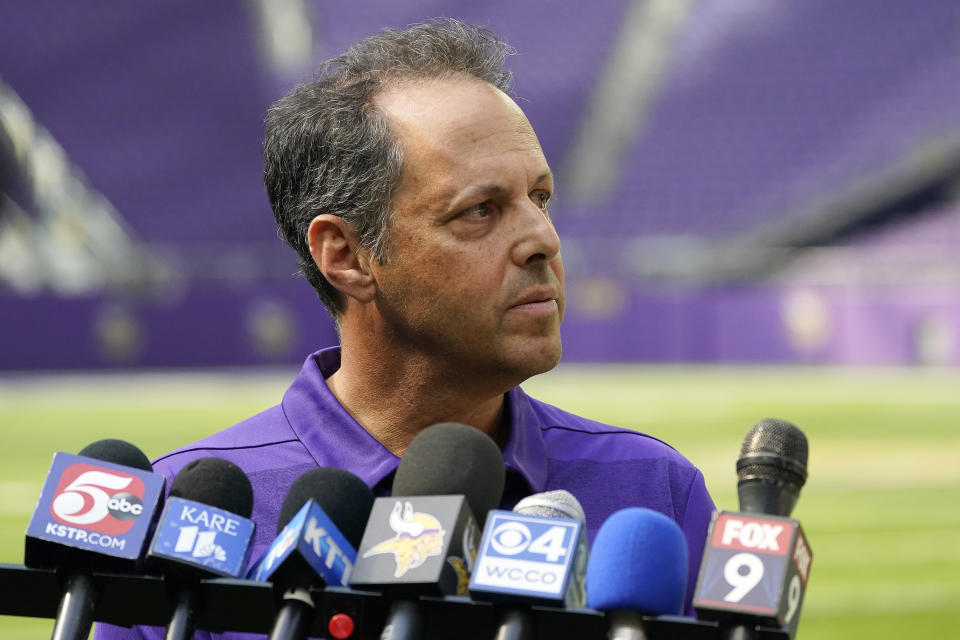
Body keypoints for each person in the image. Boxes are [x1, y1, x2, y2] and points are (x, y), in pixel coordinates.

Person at [96, 18, 714, 639]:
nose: (542, 240)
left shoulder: (655, 493)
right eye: (480, 210)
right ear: (345, 256)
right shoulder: (187, 516)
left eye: (541, 198)